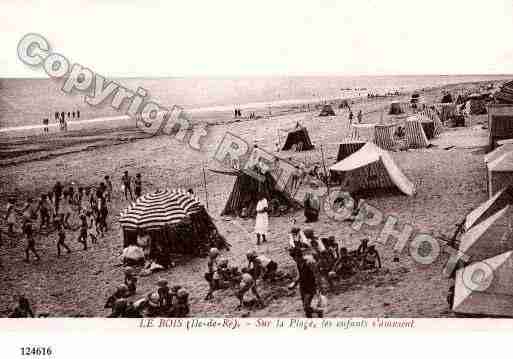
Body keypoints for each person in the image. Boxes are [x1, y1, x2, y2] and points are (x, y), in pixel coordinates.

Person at [295, 252, 324, 318]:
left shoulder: (309, 263)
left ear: (301, 257)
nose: (295, 260)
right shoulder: (298, 264)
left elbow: (317, 274)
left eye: (296, 258)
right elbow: (299, 275)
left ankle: (318, 311)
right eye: (294, 258)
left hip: (310, 286)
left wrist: (319, 285)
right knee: (306, 308)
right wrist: (295, 282)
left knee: (306, 306)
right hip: (302, 286)